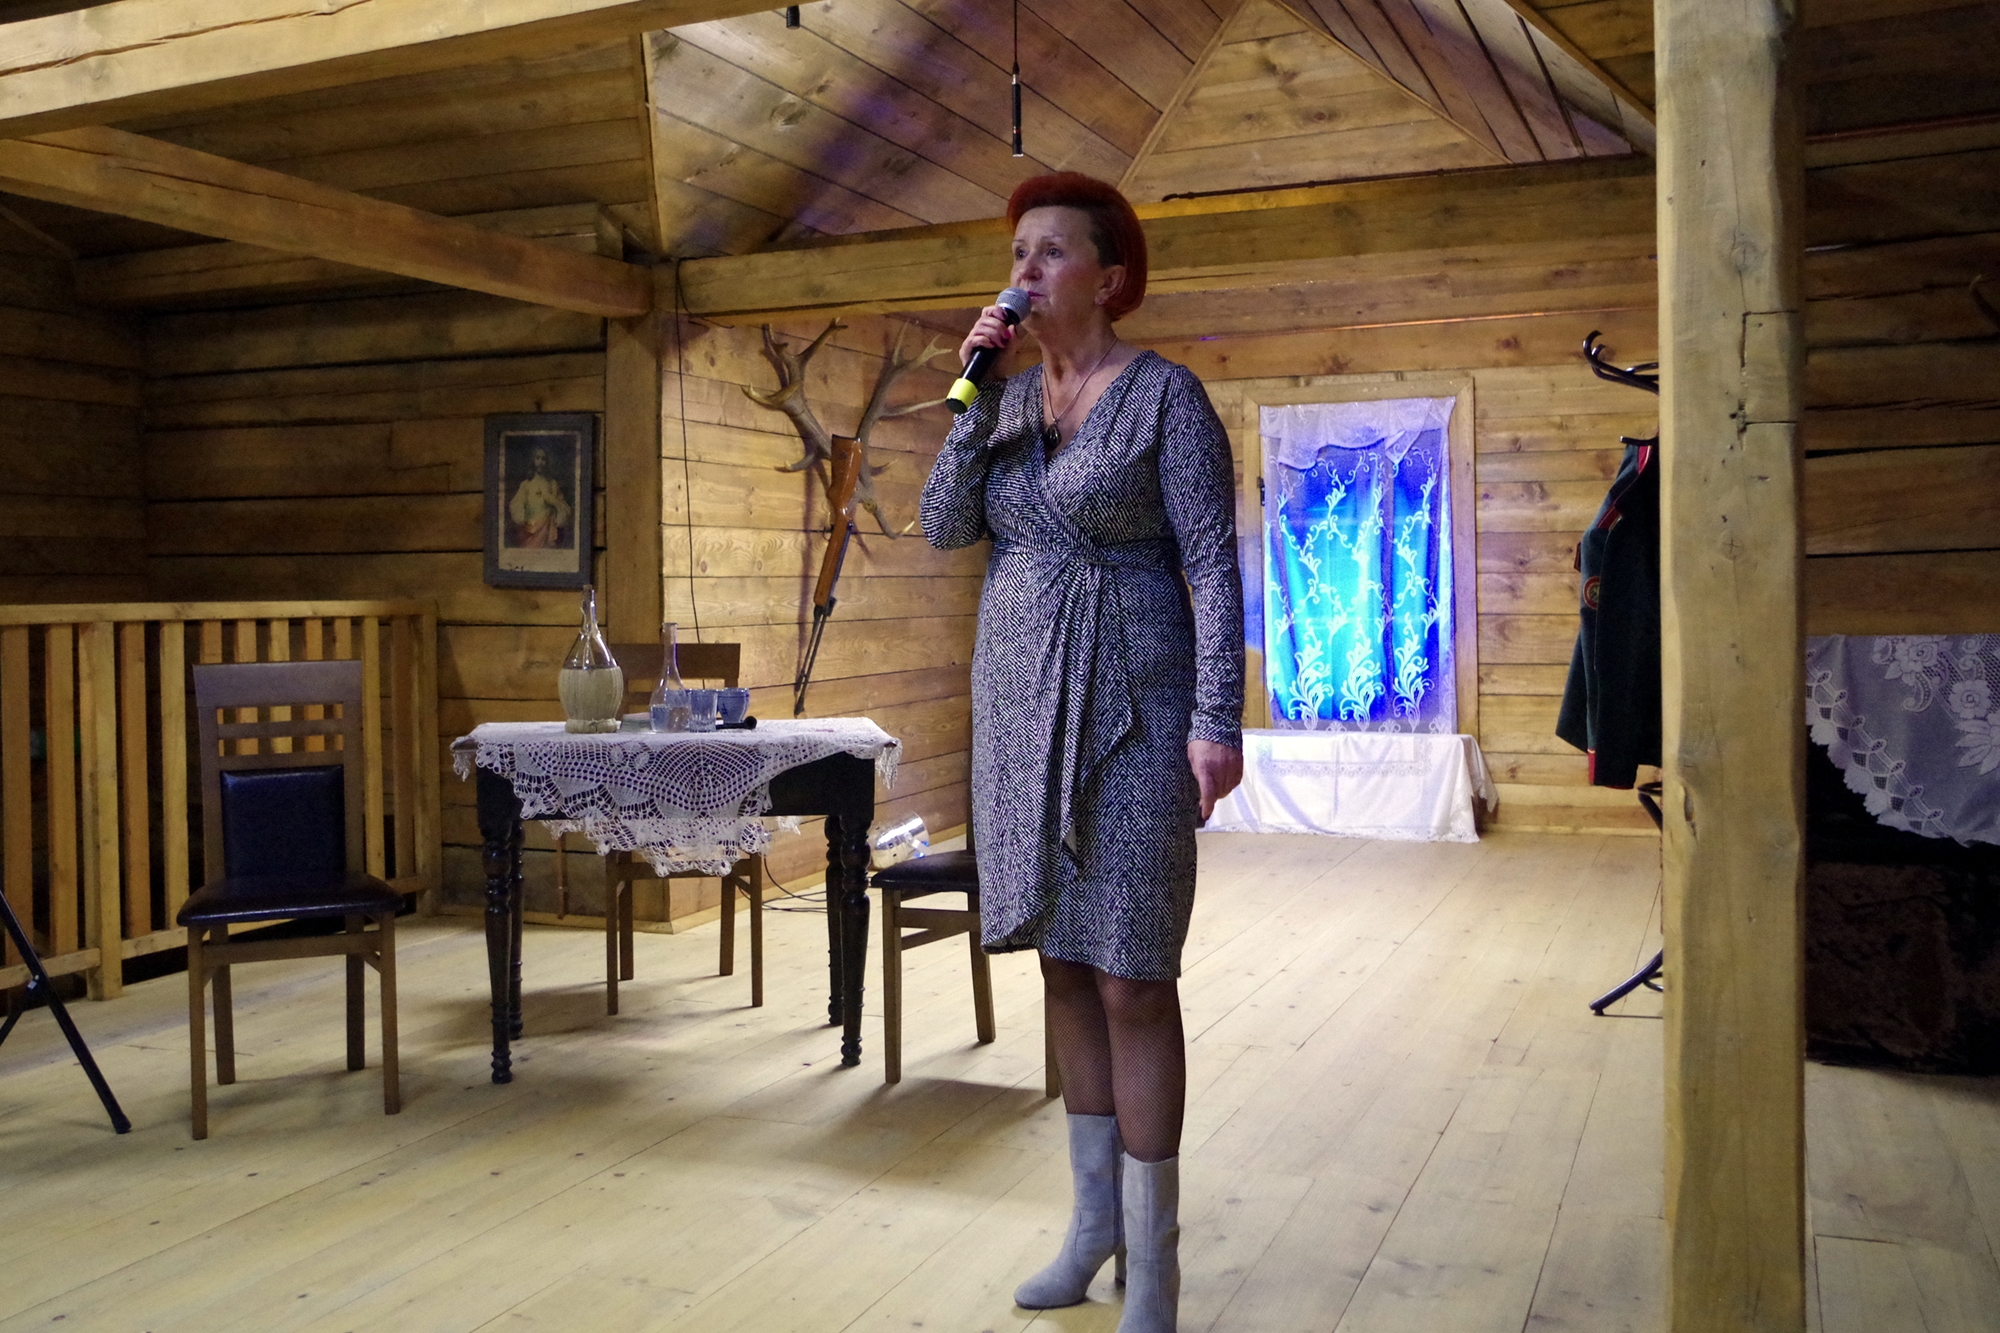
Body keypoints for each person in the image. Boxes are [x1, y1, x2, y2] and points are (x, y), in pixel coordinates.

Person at [920, 173, 1245, 1333]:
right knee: (1061, 963)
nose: (1024, 270)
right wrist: (970, 392)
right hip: (1017, 709)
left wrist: (1216, 718)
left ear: (1107, 280)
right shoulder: (1003, 402)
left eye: (1048, 252)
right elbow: (941, 524)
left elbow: (1210, 561)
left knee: (1130, 975)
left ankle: (1153, 1270)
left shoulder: (1164, 397)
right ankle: (1091, 1227)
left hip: (1136, 708)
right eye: (1017, 251)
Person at [507, 445, 573, 548]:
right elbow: (516, 505)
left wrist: (551, 500)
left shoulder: (552, 484)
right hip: (530, 531)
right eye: (537, 458)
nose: (540, 462)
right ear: (533, 461)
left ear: (547, 462)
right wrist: (522, 511)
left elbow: (564, 508)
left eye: (543, 459)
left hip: (547, 531)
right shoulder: (526, 484)